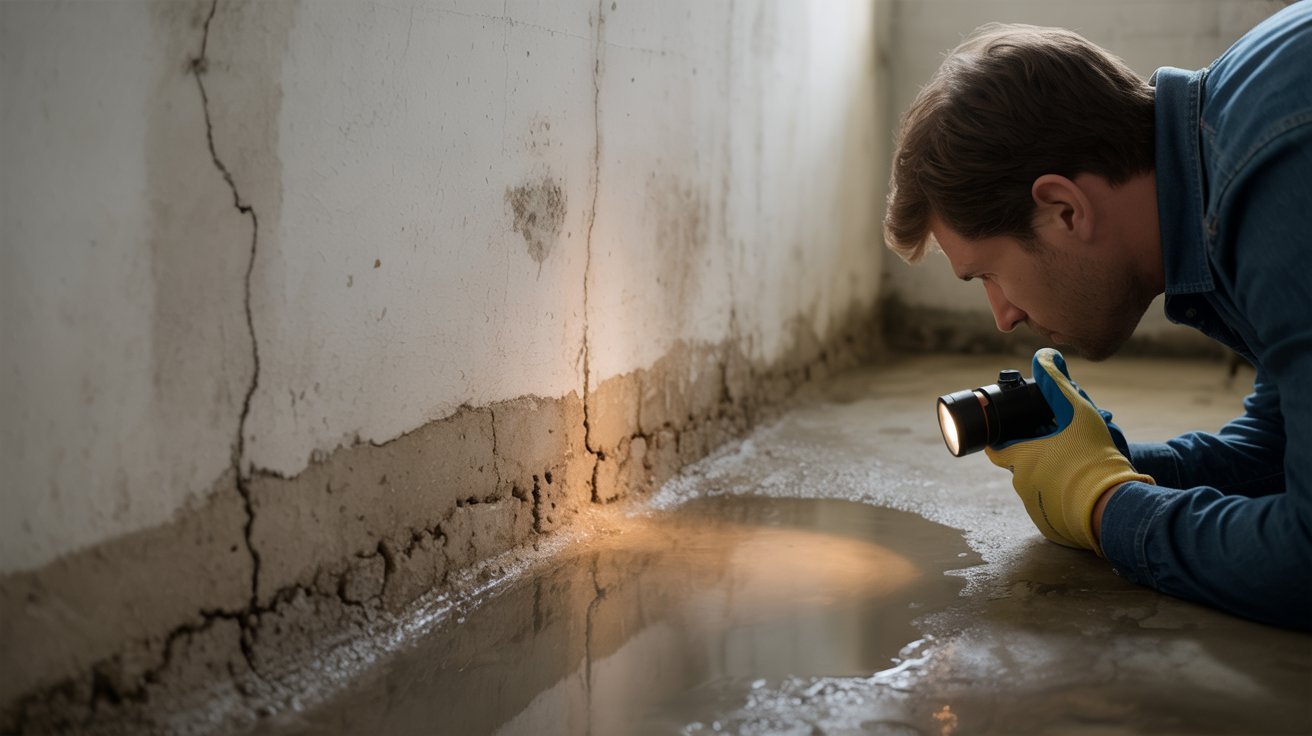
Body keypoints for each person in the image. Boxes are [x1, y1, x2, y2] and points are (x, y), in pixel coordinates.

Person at [884, 2, 1312, 630]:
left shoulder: (1274, 181)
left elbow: (1303, 559)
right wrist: (1105, 464)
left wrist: (1108, 508)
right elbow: (1277, 448)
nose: (1002, 316)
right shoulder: (1237, 131)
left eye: (988, 275)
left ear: (1063, 210)